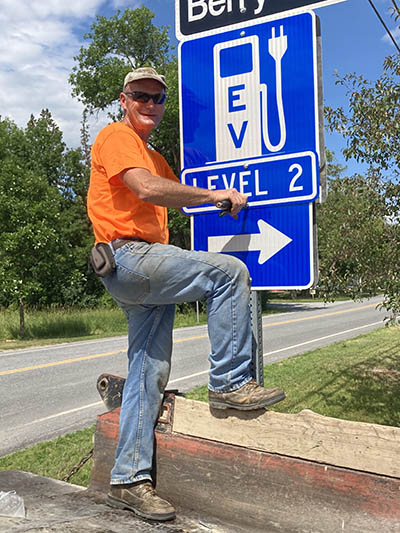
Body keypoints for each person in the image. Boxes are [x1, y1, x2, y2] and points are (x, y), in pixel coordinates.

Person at [87, 67, 285, 522]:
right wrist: (216, 193)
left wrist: (223, 201)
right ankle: (231, 384)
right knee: (229, 273)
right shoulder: (117, 137)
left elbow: (170, 194)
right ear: (124, 99)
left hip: (142, 269)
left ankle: (129, 480)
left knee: (147, 372)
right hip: (128, 255)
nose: (150, 105)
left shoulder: (157, 158)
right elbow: (148, 190)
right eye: (141, 96)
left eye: (158, 98)